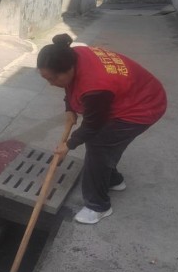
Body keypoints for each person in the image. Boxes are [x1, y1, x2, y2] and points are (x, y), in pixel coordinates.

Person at [37, 34, 167, 224]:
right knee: (102, 148)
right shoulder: (72, 54)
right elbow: (70, 84)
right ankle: (114, 180)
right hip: (133, 94)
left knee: (98, 147)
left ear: (69, 68)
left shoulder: (95, 86)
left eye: (54, 78)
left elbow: (93, 125)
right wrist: (69, 108)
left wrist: (69, 145)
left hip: (142, 106)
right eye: (46, 78)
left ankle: (98, 206)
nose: (51, 83)